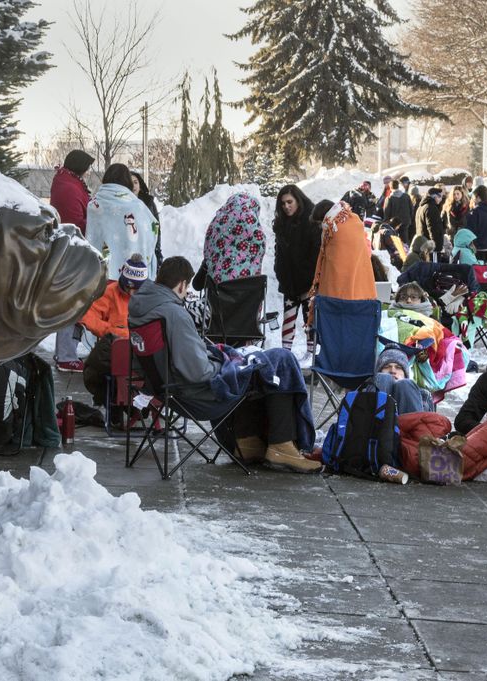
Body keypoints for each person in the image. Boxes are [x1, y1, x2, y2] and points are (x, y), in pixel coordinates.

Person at [128, 257, 321, 472]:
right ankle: (282, 445)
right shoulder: (173, 313)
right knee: (281, 361)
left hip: (167, 391)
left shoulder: (140, 311)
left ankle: (248, 442)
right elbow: (199, 372)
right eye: (186, 289)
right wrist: (227, 364)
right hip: (198, 395)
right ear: (182, 285)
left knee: (253, 366)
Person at [80, 254, 148, 411]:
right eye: (128, 287)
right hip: (116, 353)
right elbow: (87, 315)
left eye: (136, 289)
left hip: (143, 354)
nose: (131, 293)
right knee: (98, 366)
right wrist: (111, 331)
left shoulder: (150, 297)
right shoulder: (110, 292)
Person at [49, 149, 95, 373]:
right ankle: (66, 354)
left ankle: (68, 352)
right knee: (72, 303)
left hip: (70, 253)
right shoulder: (69, 187)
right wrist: (97, 221)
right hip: (72, 255)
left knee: (75, 303)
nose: (88, 173)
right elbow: (75, 222)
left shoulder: (67, 182)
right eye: (86, 168)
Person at [85, 163, 159, 279]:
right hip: (132, 277)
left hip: (100, 277)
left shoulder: (94, 205)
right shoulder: (137, 206)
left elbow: (92, 237)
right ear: (127, 181)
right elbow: (152, 230)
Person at [272, 184, 318, 349]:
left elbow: (316, 252)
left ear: (298, 200)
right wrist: (279, 272)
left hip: (308, 282)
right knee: (288, 318)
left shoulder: (311, 220)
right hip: (289, 281)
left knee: (310, 320)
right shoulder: (281, 224)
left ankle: (311, 355)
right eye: (283, 203)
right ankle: (285, 354)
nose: (286, 206)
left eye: (289, 202)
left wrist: (309, 277)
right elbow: (279, 252)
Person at [195, 192, 264, 287]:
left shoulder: (216, 230)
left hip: (216, 297)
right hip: (249, 298)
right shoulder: (256, 237)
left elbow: (197, 285)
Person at [371, 347, 434, 414]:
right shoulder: (366, 389)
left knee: (405, 385)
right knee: (383, 379)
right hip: (374, 421)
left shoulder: (423, 395)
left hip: (409, 422)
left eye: (398, 368)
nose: (393, 371)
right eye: (386, 367)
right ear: (379, 371)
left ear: (405, 373)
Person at [130, 171, 163, 266]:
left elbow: (156, 226)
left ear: (140, 185)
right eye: (130, 183)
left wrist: (157, 248)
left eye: (136, 182)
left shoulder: (149, 202)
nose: (133, 186)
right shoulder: (122, 204)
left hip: (148, 247)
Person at [467, 185, 487, 263]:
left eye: (474, 197)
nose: (473, 200)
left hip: (479, 247)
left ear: (478, 197)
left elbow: (470, 230)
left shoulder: (476, 211)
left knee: (479, 272)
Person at [416, 186, 446, 259]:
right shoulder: (431, 208)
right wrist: (436, 247)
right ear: (435, 196)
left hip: (423, 243)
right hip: (430, 247)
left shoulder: (421, 207)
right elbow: (433, 229)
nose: (441, 199)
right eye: (440, 197)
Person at [383, 179, 415, 244]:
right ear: (398, 186)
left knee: (395, 241)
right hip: (406, 221)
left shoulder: (389, 198)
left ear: (390, 187)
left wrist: (386, 221)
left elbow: (386, 212)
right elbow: (411, 209)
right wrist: (410, 218)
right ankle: (405, 251)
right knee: (404, 239)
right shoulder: (406, 196)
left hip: (394, 223)